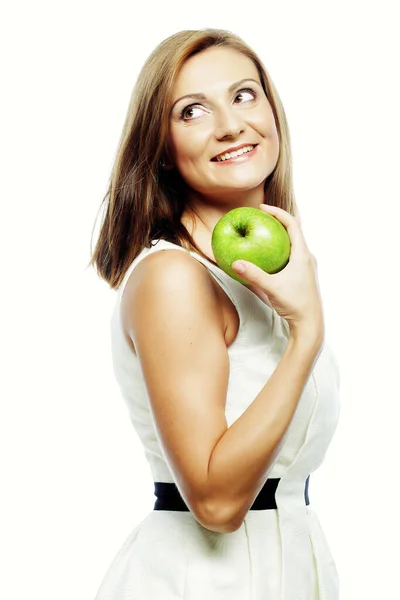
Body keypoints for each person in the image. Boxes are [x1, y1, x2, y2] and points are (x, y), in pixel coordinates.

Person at [89, 28, 341, 600]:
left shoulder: (274, 276)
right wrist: (306, 337)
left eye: (245, 95)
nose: (230, 124)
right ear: (161, 148)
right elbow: (217, 502)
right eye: (193, 110)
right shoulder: (174, 277)